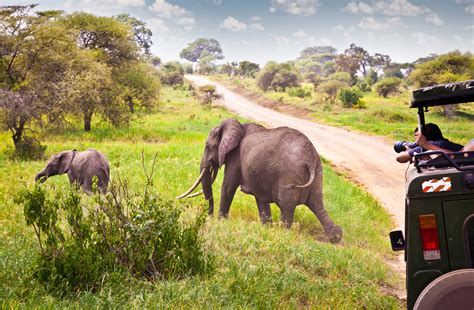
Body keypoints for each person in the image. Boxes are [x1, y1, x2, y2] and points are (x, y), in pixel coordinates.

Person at [396, 123, 464, 163]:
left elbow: (400, 158)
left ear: (423, 138)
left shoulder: (430, 144)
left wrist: (410, 151)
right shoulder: (447, 144)